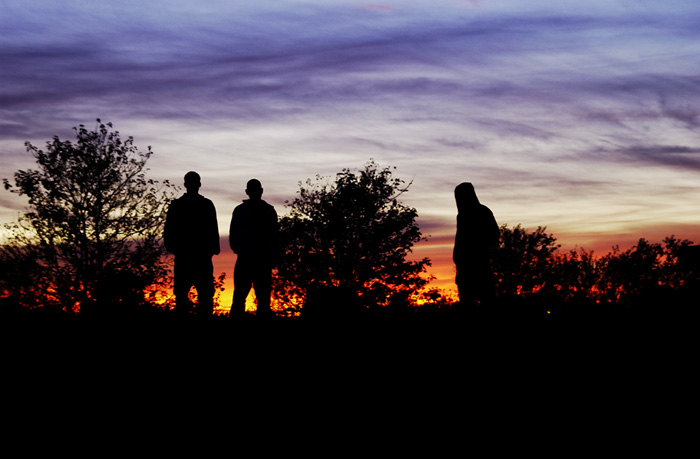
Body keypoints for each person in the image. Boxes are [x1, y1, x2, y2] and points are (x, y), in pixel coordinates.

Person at [163, 171, 220, 317]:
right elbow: (169, 232)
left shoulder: (178, 205)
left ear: (185, 184)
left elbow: (168, 232)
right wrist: (212, 249)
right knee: (192, 298)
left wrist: (175, 248)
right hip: (195, 258)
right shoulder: (204, 205)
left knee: (195, 298)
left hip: (191, 258)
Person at [229, 179, 280, 319]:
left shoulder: (268, 211)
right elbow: (234, 235)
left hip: (261, 260)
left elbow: (274, 235)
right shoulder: (241, 210)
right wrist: (239, 250)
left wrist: (271, 253)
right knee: (241, 297)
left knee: (261, 299)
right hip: (248, 259)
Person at [453, 182, 499, 306]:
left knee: (487, 300)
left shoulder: (483, 212)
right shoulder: (461, 216)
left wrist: (481, 250)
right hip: (464, 268)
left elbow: (494, 235)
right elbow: (460, 239)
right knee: (467, 304)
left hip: (480, 266)